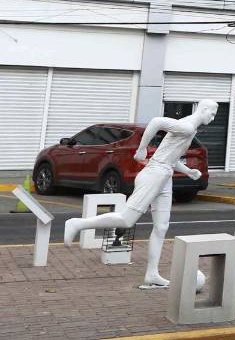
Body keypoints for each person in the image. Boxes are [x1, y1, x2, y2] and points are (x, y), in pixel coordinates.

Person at [64, 100, 218, 288]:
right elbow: (155, 122)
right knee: (127, 220)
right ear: (203, 110)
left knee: (161, 227)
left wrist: (188, 171)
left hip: (165, 175)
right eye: (212, 113)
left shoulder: (190, 129)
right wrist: (141, 148)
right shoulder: (186, 126)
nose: (214, 117)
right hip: (154, 174)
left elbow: (170, 156)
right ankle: (78, 224)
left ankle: (152, 274)